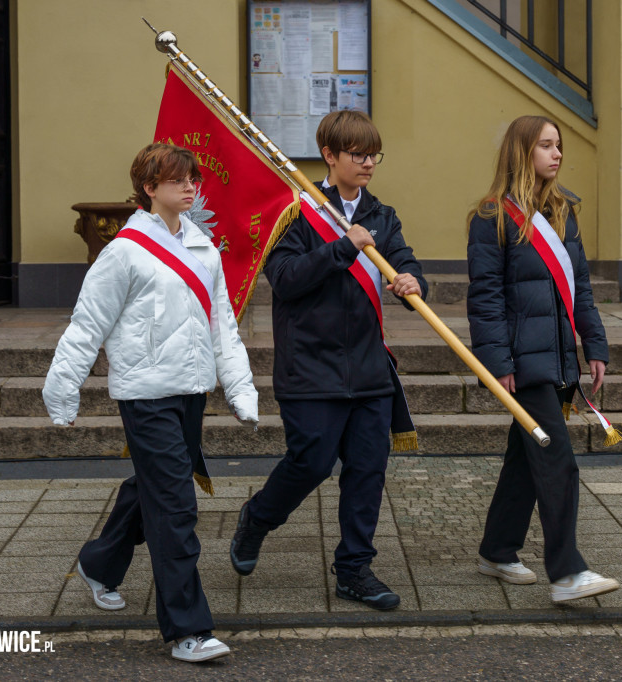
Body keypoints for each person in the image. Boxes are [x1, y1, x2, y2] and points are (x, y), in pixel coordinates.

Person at [43, 143, 258, 663]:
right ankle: (187, 629)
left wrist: (240, 387)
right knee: (175, 505)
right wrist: (62, 389)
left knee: (154, 489)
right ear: (149, 188)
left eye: (193, 179)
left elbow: (222, 328)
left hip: (190, 391)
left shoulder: (204, 248)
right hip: (144, 394)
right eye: (178, 179)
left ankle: (99, 563)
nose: (191, 187)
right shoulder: (124, 250)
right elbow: (87, 323)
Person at [229, 110, 427, 610]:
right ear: (330, 156)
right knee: (311, 463)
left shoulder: (381, 214)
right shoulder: (295, 211)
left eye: (373, 154)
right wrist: (343, 247)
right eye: (357, 155)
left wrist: (410, 282)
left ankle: (354, 570)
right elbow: (288, 278)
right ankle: (257, 518)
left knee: (367, 469)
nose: (367, 164)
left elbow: (403, 258)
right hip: (310, 366)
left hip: (369, 367)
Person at [466, 114, 619, 603]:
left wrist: (594, 346)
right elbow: (484, 298)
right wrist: (497, 362)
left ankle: (497, 549)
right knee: (555, 459)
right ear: (521, 152)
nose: (556, 154)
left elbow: (582, 290)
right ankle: (568, 572)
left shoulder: (562, 212)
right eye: (546, 146)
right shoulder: (491, 218)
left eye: (559, 146)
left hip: (556, 359)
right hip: (521, 363)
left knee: (524, 459)